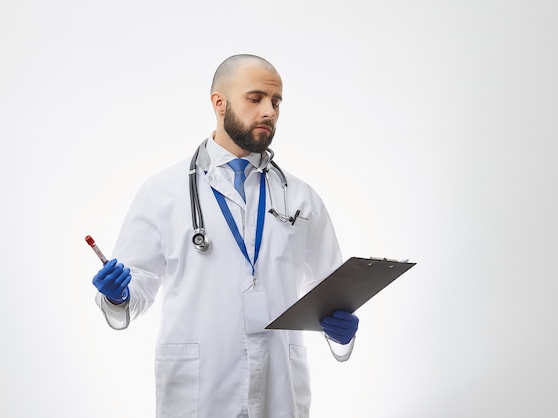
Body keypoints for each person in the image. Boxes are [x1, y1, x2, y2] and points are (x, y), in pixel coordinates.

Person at [92, 54, 359, 418]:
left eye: (276, 101)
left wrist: (340, 332)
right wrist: (119, 294)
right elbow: (137, 287)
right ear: (219, 103)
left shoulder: (300, 198)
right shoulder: (162, 193)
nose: (269, 111)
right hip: (198, 392)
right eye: (256, 98)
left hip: (279, 391)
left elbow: (332, 289)